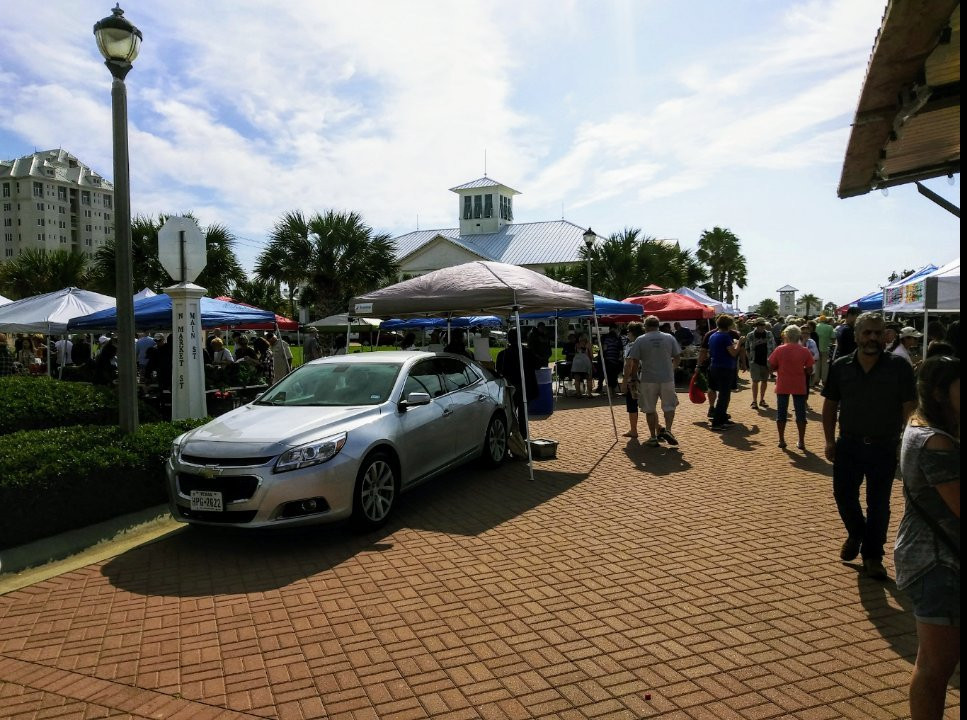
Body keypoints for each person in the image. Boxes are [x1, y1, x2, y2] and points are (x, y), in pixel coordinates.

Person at [822, 312, 917, 580]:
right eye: (867, 333)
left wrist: (906, 443)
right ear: (856, 336)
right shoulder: (841, 366)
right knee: (843, 495)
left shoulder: (899, 367)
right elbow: (830, 405)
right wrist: (829, 440)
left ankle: (873, 556)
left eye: (878, 333)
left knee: (879, 504)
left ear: (885, 335)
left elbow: (909, 407)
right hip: (848, 445)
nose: (873, 338)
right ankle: (857, 532)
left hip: (883, 447)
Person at [893, 355, 960, 719]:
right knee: (936, 667)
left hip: (935, 557)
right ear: (939, 393)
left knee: (934, 665)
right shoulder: (934, 441)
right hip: (940, 563)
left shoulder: (923, 428)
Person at [627, 315, 681, 446]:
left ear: (646, 326)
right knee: (669, 406)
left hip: (648, 378)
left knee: (650, 408)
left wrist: (633, 376)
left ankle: (652, 437)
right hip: (667, 378)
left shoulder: (640, 339)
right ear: (658, 325)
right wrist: (671, 369)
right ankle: (668, 430)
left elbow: (635, 360)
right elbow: (677, 356)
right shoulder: (669, 337)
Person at [769, 325, 815, 450]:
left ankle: (782, 439)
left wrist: (779, 368)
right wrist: (802, 370)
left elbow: (771, 366)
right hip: (799, 384)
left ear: (786, 335)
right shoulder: (804, 350)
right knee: (801, 414)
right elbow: (810, 370)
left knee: (781, 413)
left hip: (783, 383)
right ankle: (801, 441)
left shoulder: (779, 349)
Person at [495, 328, 538, 439]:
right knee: (522, 415)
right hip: (523, 387)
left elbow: (498, 370)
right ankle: (522, 437)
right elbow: (538, 364)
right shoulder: (527, 352)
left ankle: (511, 437)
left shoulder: (503, 354)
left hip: (511, 387)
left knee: (510, 414)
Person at [706, 315, 742, 431]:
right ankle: (717, 421)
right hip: (725, 367)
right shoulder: (725, 337)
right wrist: (739, 342)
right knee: (724, 395)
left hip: (715, 366)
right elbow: (733, 353)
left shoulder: (712, 335)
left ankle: (722, 417)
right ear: (729, 325)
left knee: (722, 394)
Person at [619, 322, 644, 438]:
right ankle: (657, 428)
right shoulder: (644, 344)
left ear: (632, 333)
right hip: (645, 378)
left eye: (628, 331)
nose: (627, 333)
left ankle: (633, 430)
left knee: (632, 405)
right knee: (648, 406)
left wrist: (624, 382)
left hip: (633, 380)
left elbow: (628, 364)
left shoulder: (630, 346)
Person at [745, 318, 775, 409]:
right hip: (755, 361)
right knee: (755, 381)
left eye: (763, 325)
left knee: (764, 381)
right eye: (760, 325)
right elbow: (747, 348)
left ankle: (762, 399)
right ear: (756, 325)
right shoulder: (750, 335)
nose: (761, 327)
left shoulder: (769, 334)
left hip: (766, 361)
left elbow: (773, 347)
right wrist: (750, 359)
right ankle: (754, 401)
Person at [599, 325, 624, 394]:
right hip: (615, 360)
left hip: (608, 360)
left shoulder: (607, 339)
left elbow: (604, 349)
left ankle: (610, 392)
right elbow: (621, 351)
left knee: (609, 376)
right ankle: (612, 391)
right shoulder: (617, 339)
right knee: (614, 376)